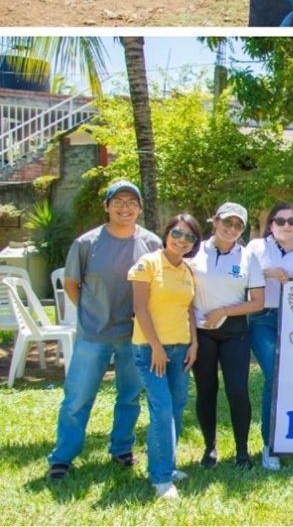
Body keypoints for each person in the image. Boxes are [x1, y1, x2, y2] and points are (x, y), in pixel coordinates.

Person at [47, 180, 162, 481]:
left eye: (132, 202)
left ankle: (121, 448)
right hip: (93, 335)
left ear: (139, 208)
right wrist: (91, 311)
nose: (125, 208)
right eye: (118, 202)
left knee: (129, 397)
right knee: (77, 399)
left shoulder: (151, 243)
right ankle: (62, 457)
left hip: (135, 336)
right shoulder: (86, 243)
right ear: (107, 206)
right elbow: (72, 284)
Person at [127, 214, 201, 500]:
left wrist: (194, 343)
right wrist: (156, 347)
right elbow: (140, 308)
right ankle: (160, 479)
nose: (182, 240)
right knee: (162, 409)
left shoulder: (188, 269)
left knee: (177, 406)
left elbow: (189, 309)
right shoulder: (147, 264)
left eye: (189, 237)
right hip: (150, 350)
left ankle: (168, 465)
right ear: (167, 233)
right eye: (177, 233)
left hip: (181, 349)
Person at [188, 202, 265, 470]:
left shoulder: (248, 258)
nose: (231, 229)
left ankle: (242, 451)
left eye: (238, 225)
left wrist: (223, 311)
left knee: (238, 390)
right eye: (227, 222)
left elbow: (257, 302)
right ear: (215, 221)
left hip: (234, 332)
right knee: (206, 390)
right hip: (202, 332)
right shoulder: (195, 251)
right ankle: (209, 448)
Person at [245, 201, 293, 470]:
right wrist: (267, 273)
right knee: (274, 376)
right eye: (280, 221)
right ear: (271, 225)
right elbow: (239, 276)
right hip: (263, 318)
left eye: (292, 221)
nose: (286, 226)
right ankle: (269, 445)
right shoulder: (256, 248)